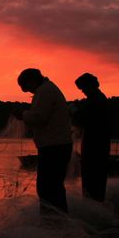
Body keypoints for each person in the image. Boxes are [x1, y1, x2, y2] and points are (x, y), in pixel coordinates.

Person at [13, 68, 73, 215]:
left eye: (27, 88)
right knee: (53, 186)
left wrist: (22, 114)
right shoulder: (47, 89)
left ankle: (54, 222)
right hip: (56, 145)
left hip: (54, 146)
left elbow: (40, 117)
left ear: (32, 81)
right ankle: (56, 220)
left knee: (48, 187)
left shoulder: (45, 91)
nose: (29, 92)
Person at [72, 73, 110, 202]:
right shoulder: (98, 98)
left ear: (89, 86)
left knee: (91, 176)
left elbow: (86, 121)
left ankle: (92, 205)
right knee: (96, 177)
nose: (82, 92)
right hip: (99, 143)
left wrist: (74, 111)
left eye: (83, 88)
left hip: (94, 144)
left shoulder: (96, 100)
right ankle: (95, 204)